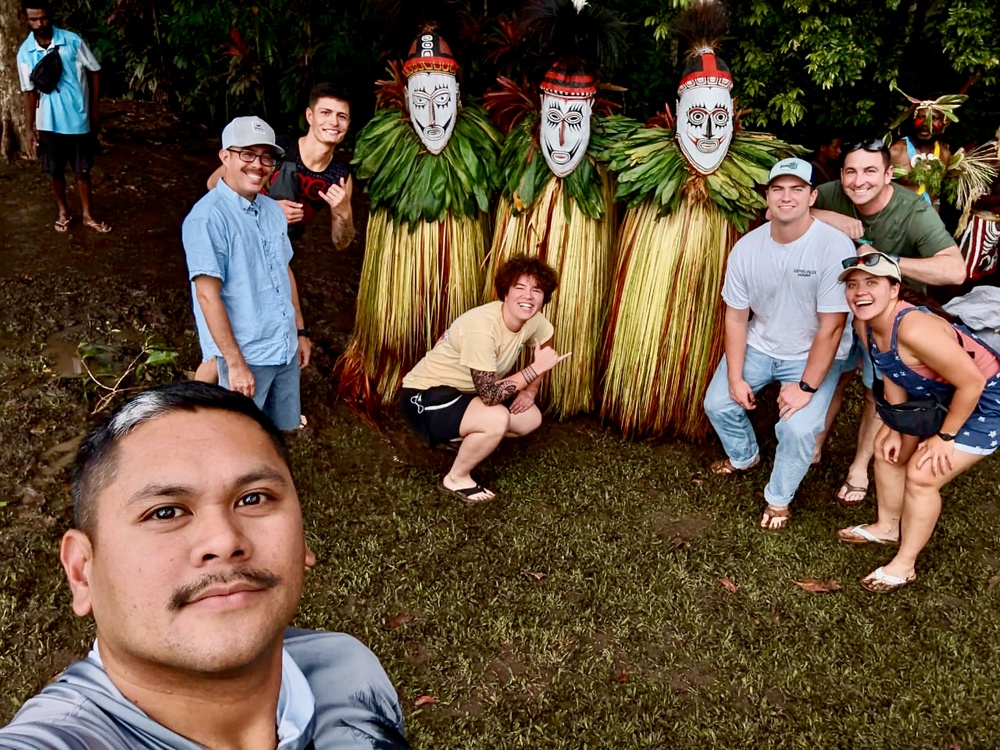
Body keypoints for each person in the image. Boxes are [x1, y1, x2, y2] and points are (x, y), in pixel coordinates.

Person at [0, 381, 409, 747]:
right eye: (165, 512)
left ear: (303, 540)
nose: (225, 540)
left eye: (254, 498)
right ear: (80, 572)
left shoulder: (348, 670)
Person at [810, 139, 966, 506]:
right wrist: (829, 216)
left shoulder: (913, 211)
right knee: (831, 373)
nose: (858, 181)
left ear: (888, 174)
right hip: (839, 301)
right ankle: (813, 446)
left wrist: (887, 260)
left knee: (875, 389)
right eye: (850, 171)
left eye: (869, 172)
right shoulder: (831, 194)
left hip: (892, 315)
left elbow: (955, 269)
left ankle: (860, 466)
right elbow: (777, 209)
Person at [836, 253, 1000, 593]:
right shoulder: (864, 323)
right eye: (853, 284)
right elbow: (892, 370)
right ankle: (888, 526)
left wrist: (944, 436)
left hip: (985, 400)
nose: (859, 291)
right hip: (941, 395)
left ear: (894, 289)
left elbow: (972, 382)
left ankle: (904, 564)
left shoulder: (914, 328)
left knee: (922, 473)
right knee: (887, 448)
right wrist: (899, 425)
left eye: (871, 283)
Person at [703, 158, 853, 531]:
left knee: (798, 429)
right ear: (768, 197)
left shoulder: (833, 247)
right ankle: (745, 457)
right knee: (718, 403)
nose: (787, 197)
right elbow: (736, 317)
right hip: (763, 343)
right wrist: (736, 377)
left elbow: (832, 328)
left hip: (813, 352)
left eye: (797, 189)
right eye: (778, 189)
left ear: (812, 196)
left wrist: (805, 387)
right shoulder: (747, 249)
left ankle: (778, 498)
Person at [399, 256, 572, 504]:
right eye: (520, 288)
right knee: (496, 418)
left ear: (545, 298)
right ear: (506, 292)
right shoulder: (482, 327)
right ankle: (456, 478)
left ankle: (462, 438)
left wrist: (530, 391)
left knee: (529, 418)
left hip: (466, 392)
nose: (528, 296)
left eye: (536, 290)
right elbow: (490, 396)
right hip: (424, 396)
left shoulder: (533, 319)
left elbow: (546, 343)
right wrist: (533, 371)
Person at [183, 116, 310, 431]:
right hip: (247, 355)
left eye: (266, 157)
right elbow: (207, 296)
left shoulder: (271, 211)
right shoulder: (207, 219)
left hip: (284, 347)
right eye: (248, 154)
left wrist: (300, 331)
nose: (258, 164)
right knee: (240, 435)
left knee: (282, 429)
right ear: (225, 157)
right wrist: (235, 365)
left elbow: (284, 270)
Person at [207, 83, 355, 250]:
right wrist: (267, 211)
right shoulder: (277, 148)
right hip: (235, 241)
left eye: (341, 116)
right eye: (325, 113)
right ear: (310, 116)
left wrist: (344, 212)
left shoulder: (339, 176)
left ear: (348, 124)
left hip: (278, 254)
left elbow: (340, 242)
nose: (334, 122)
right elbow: (213, 183)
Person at [16, 0, 110, 233]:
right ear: (26, 20)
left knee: (83, 171)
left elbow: (95, 70)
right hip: (48, 122)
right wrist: (29, 128)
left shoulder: (72, 40)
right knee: (54, 171)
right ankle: (63, 211)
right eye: (34, 19)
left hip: (78, 119)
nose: (40, 23)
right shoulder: (25, 53)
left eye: (44, 17)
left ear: (51, 15)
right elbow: (28, 92)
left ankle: (88, 215)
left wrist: (94, 108)